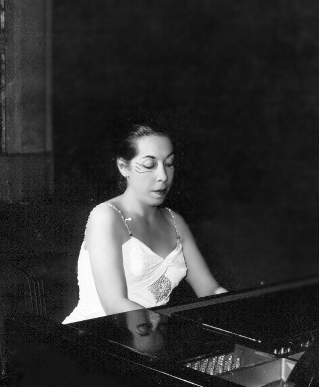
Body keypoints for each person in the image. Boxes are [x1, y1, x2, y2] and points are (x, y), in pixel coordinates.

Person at [63, 115, 227, 324]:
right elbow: (115, 304)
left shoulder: (175, 221)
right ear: (123, 167)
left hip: (152, 332)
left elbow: (209, 290)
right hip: (97, 333)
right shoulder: (105, 216)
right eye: (149, 165)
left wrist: (240, 310)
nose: (163, 176)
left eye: (169, 164)